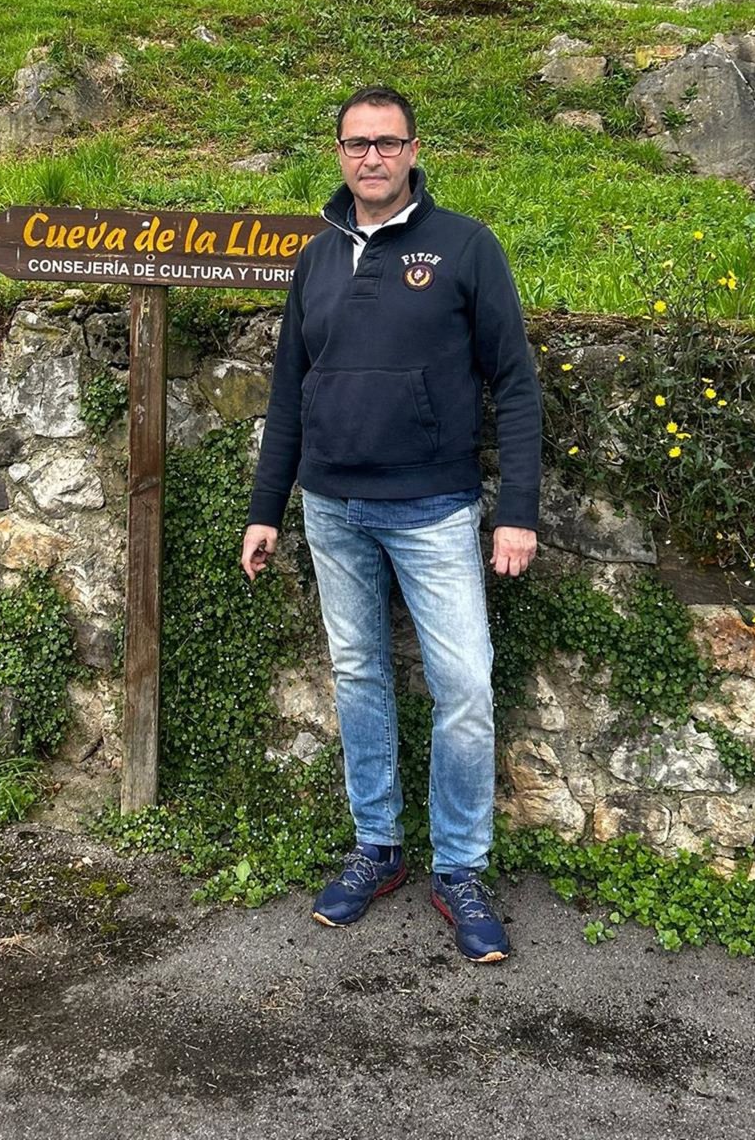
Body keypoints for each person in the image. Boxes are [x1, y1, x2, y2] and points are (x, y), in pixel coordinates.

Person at [241, 85, 541, 965]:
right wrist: (266, 509)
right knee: (360, 677)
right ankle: (377, 848)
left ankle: (461, 868)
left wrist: (516, 513)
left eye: (386, 142)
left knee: (465, 687)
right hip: (332, 507)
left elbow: (515, 384)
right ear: (338, 154)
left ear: (413, 150)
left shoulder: (466, 246)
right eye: (355, 143)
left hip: (434, 509)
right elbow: (288, 392)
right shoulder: (316, 258)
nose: (370, 157)